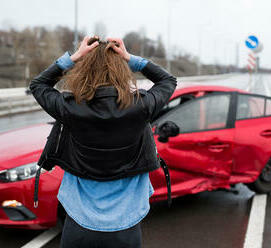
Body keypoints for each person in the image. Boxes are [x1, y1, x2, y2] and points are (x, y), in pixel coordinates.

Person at [29, 35, 177, 248]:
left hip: (79, 225)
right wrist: (129, 57)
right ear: (121, 70)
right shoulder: (141, 106)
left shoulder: (69, 107)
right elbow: (168, 81)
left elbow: (38, 84)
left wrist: (75, 56)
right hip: (126, 227)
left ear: (84, 69)